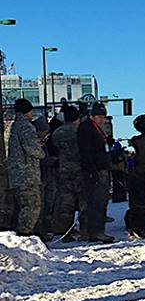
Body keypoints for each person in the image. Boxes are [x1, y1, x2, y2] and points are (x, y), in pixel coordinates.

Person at [7, 98, 45, 237]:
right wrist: (41, 151)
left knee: (23, 206)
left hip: (17, 175)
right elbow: (33, 149)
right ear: (28, 111)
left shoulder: (15, 126)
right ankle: (25, 235)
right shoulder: (26, 126)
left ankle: (24, 234)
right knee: (32, 206)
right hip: (27, 174)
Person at [77, 102, 114, 243]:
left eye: (103, 116)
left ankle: (97, 230)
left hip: (101, 167)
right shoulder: (86, 128)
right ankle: (95, 231)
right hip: (94, 170)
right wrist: (92, 169)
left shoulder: (97, 129)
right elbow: (85, 150)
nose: (102, 119)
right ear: (93, 116)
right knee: (95, 202)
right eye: (100, 116)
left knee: (101, 201)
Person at [51, 103, 88, 240]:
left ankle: (66, 232)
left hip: (64, 170)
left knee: (66, 203)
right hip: (79, 169)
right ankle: (85, 231)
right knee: (84, 201)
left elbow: (54, 146)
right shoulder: (79, 131)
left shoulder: (57, 133)